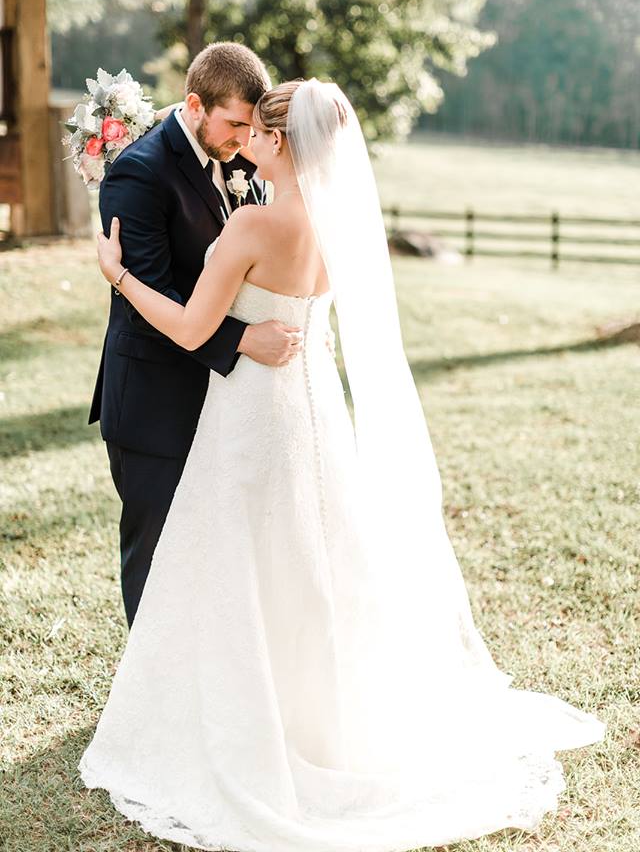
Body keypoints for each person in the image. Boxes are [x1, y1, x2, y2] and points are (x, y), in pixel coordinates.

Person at [79, 78, 605, 851]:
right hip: (314, 410)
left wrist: (118, 274)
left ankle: (243, 714)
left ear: (280, 141)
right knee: (312, 560)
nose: (247, 143)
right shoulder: (334, 221)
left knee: (243, 560)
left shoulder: (255, 223)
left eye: (258, 132)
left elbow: (191, 329)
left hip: (252, 415)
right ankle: (318, 715)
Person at [88, 42, 304, 628]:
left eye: (252, 128)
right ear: (194, 105)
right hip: (155, 399)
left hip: (226, 403)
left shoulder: (240, 159)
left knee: (212, 558)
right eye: (234, 124)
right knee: (157, 558)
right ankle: (150, 683)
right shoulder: (139, 172)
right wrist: (242, 339)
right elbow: (152, 300)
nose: (244, 139)